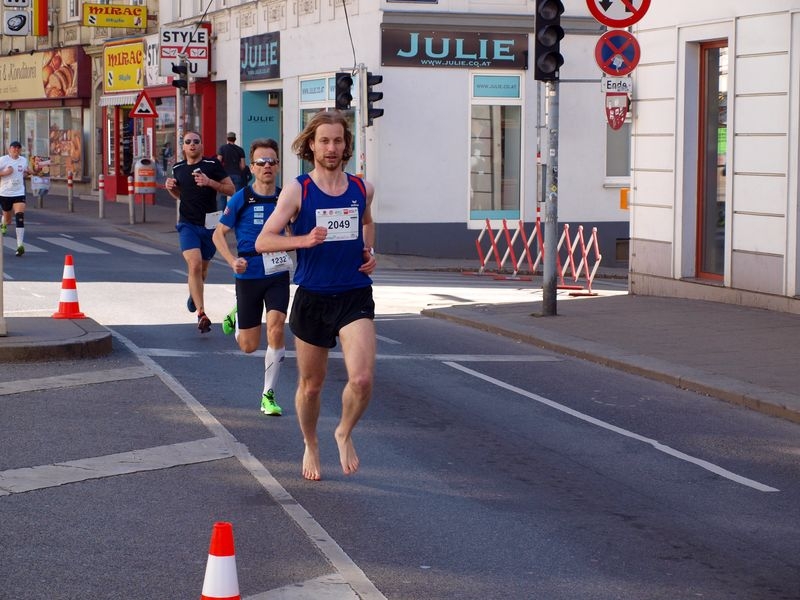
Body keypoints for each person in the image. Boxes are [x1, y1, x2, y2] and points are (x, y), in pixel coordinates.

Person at [255, 110, 377, 481]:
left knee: (362, 380)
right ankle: (310, 442)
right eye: (324, 140)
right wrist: (302, 240)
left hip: (354, 294)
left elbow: (367, 223)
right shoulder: (298, 190)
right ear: (312, 145)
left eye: (337, 140)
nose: (331, 147)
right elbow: (264, 240)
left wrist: (369, 251)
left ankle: (343, 432)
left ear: (346, 145)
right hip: (312, 297)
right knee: (311, 387)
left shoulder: (362, 188)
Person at [212, 138, 288, 417]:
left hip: (277, 272)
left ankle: (268, 394)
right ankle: (237, 314)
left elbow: (295, 233)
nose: (267, 166)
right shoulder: (241, 198)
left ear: (277, 166)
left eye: (271, 161)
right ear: (252, 168)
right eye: (261, 162)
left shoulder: (285, 198)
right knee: (248, 346)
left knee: (276, 327)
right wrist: (233, 261)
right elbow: (218, 234)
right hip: (249, 274)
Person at [165, 132, 234, 333]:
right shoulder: (178, 168)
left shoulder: (212, 165)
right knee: (194, 265)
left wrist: (209, 182)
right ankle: (201, 313)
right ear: (183, 147)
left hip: (209, 226)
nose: (192, 144)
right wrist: (171, 189)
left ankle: (194, 294)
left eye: (196, 141)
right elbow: (182, 195)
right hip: (187, 224)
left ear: (202, 145)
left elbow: (231, 189)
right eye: (188, 142)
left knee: (202, 271)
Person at [0, 141, 36, 257]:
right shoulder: (3, 160)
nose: (16, 150)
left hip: (19, 192)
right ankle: (3, 223)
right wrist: (5, 172)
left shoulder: (23, 160)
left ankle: (20, 246)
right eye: (14, 148)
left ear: (20, 150)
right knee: (8, 220)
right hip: (5, 193)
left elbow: (25, 172)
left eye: (18, 148)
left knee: (20, 217)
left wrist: (32, 172)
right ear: (9, 149)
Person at [216, 131, 246, 211]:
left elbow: (218, 162)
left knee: (222, 197)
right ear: (235, 139)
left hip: (225, 177)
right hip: (237, 175)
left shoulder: (222, 148)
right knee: (237, 198)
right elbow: (243, 166)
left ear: (227, 138)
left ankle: (221, 216)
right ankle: (236, 215)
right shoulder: (240, 150)